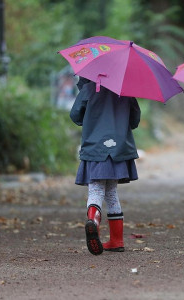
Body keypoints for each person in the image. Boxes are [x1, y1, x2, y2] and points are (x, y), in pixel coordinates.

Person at [70, 77, 140, 255]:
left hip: (95, 148)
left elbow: (76, 116)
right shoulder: (125, 90)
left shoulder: (89, 89)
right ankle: (117, 240)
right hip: (118, 149)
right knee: (111, 192)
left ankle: (93, 221)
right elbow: (134, 121)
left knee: (95, 190)